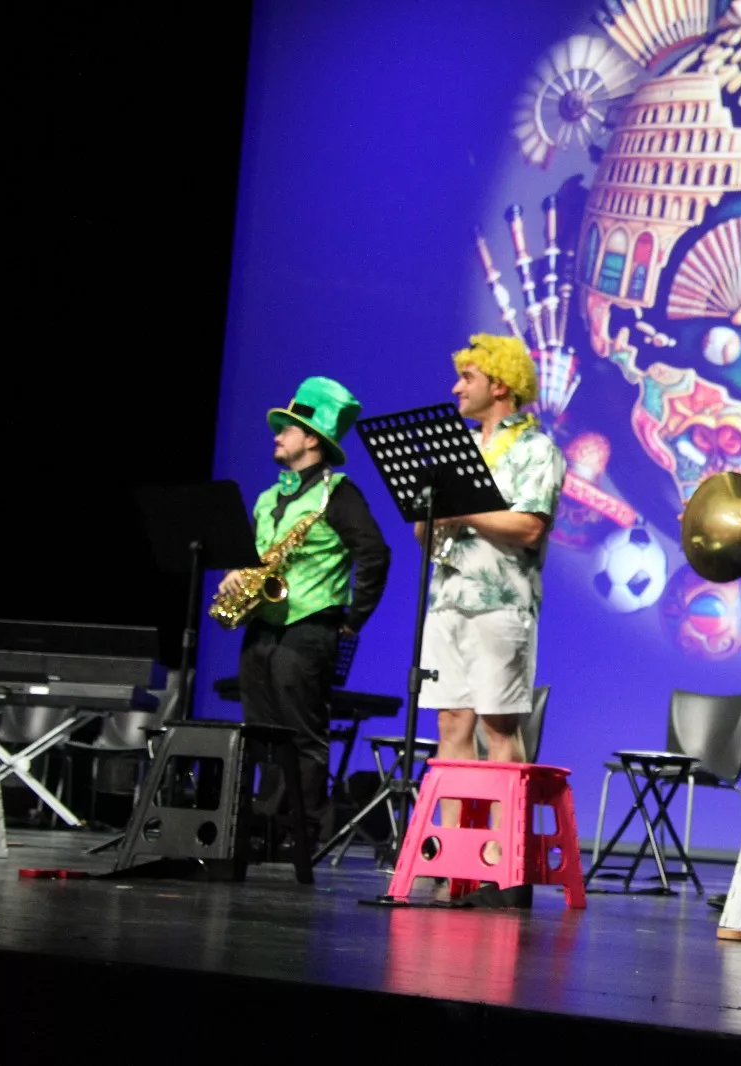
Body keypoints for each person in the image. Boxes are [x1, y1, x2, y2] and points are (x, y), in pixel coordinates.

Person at [417, 334, 566, 899]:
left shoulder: (537, 450)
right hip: (447, 599)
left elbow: (529, 527)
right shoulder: (459, 451)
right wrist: (428, 515)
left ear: (499, 385)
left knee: (497, 726)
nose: (457, 387)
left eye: (469, 378)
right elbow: (428, 535)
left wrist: (467, 512)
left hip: (502, 605)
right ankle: (453, 856)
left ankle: (503, 862)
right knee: (450, 724)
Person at [219, 375, 391, 854]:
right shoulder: (269, 498)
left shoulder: (338, 494)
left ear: (312, 439)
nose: (277, 434)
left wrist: (353, 618)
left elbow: (375, 553)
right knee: (261, 733)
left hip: (309, 628)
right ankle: (265, 829)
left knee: (304, 737)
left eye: (288, 428)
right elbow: (255, 558)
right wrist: (239, 574)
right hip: (262, 627)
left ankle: (305, 834)